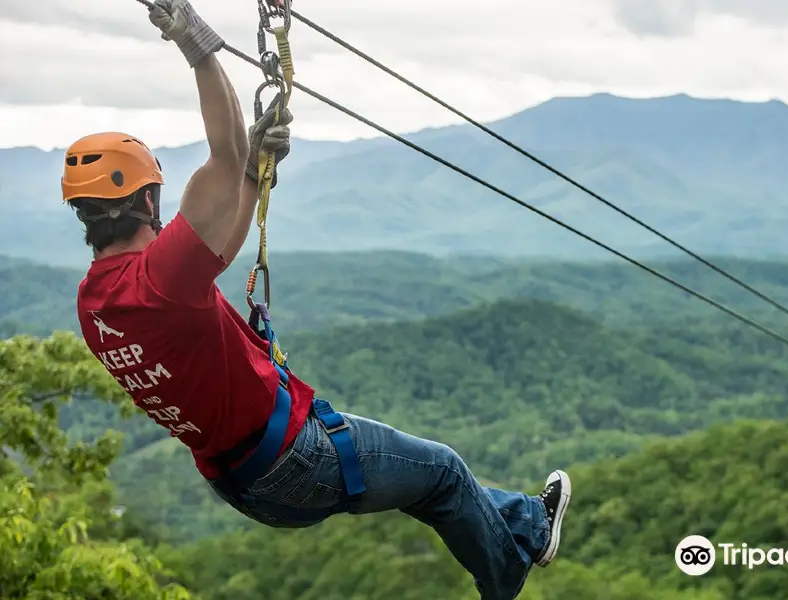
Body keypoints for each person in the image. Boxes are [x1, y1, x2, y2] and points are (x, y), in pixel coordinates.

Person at [64, 1, 572, 598]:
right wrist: (197, 45)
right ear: (149, 200)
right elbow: (223, 160)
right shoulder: (160, 279)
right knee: (443, 471)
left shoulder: (94, 302)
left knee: (427, 484)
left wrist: (254, 175)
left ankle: (525, 521)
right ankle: (513, 565)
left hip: (247, 483)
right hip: (299, 458)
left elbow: (218, 245)